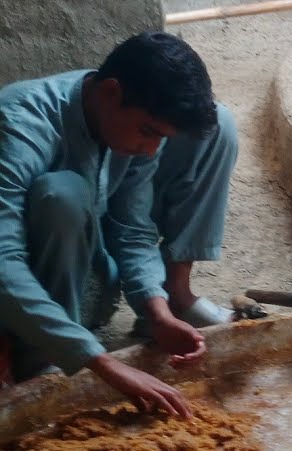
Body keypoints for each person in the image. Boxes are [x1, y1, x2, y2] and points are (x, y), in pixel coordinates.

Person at [0, 32, 239, 417]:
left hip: (87, 262)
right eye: (148, 131)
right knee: (61, 194)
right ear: (110, 92)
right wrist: (101, 362)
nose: (150, 149)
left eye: (158, 138)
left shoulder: (129, 129)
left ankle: (164, 302)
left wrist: (157, 308)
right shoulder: (19, 123)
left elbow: (132, 225)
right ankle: (38, 357)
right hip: (22, 286)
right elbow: (2, 261)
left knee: (221, 122)